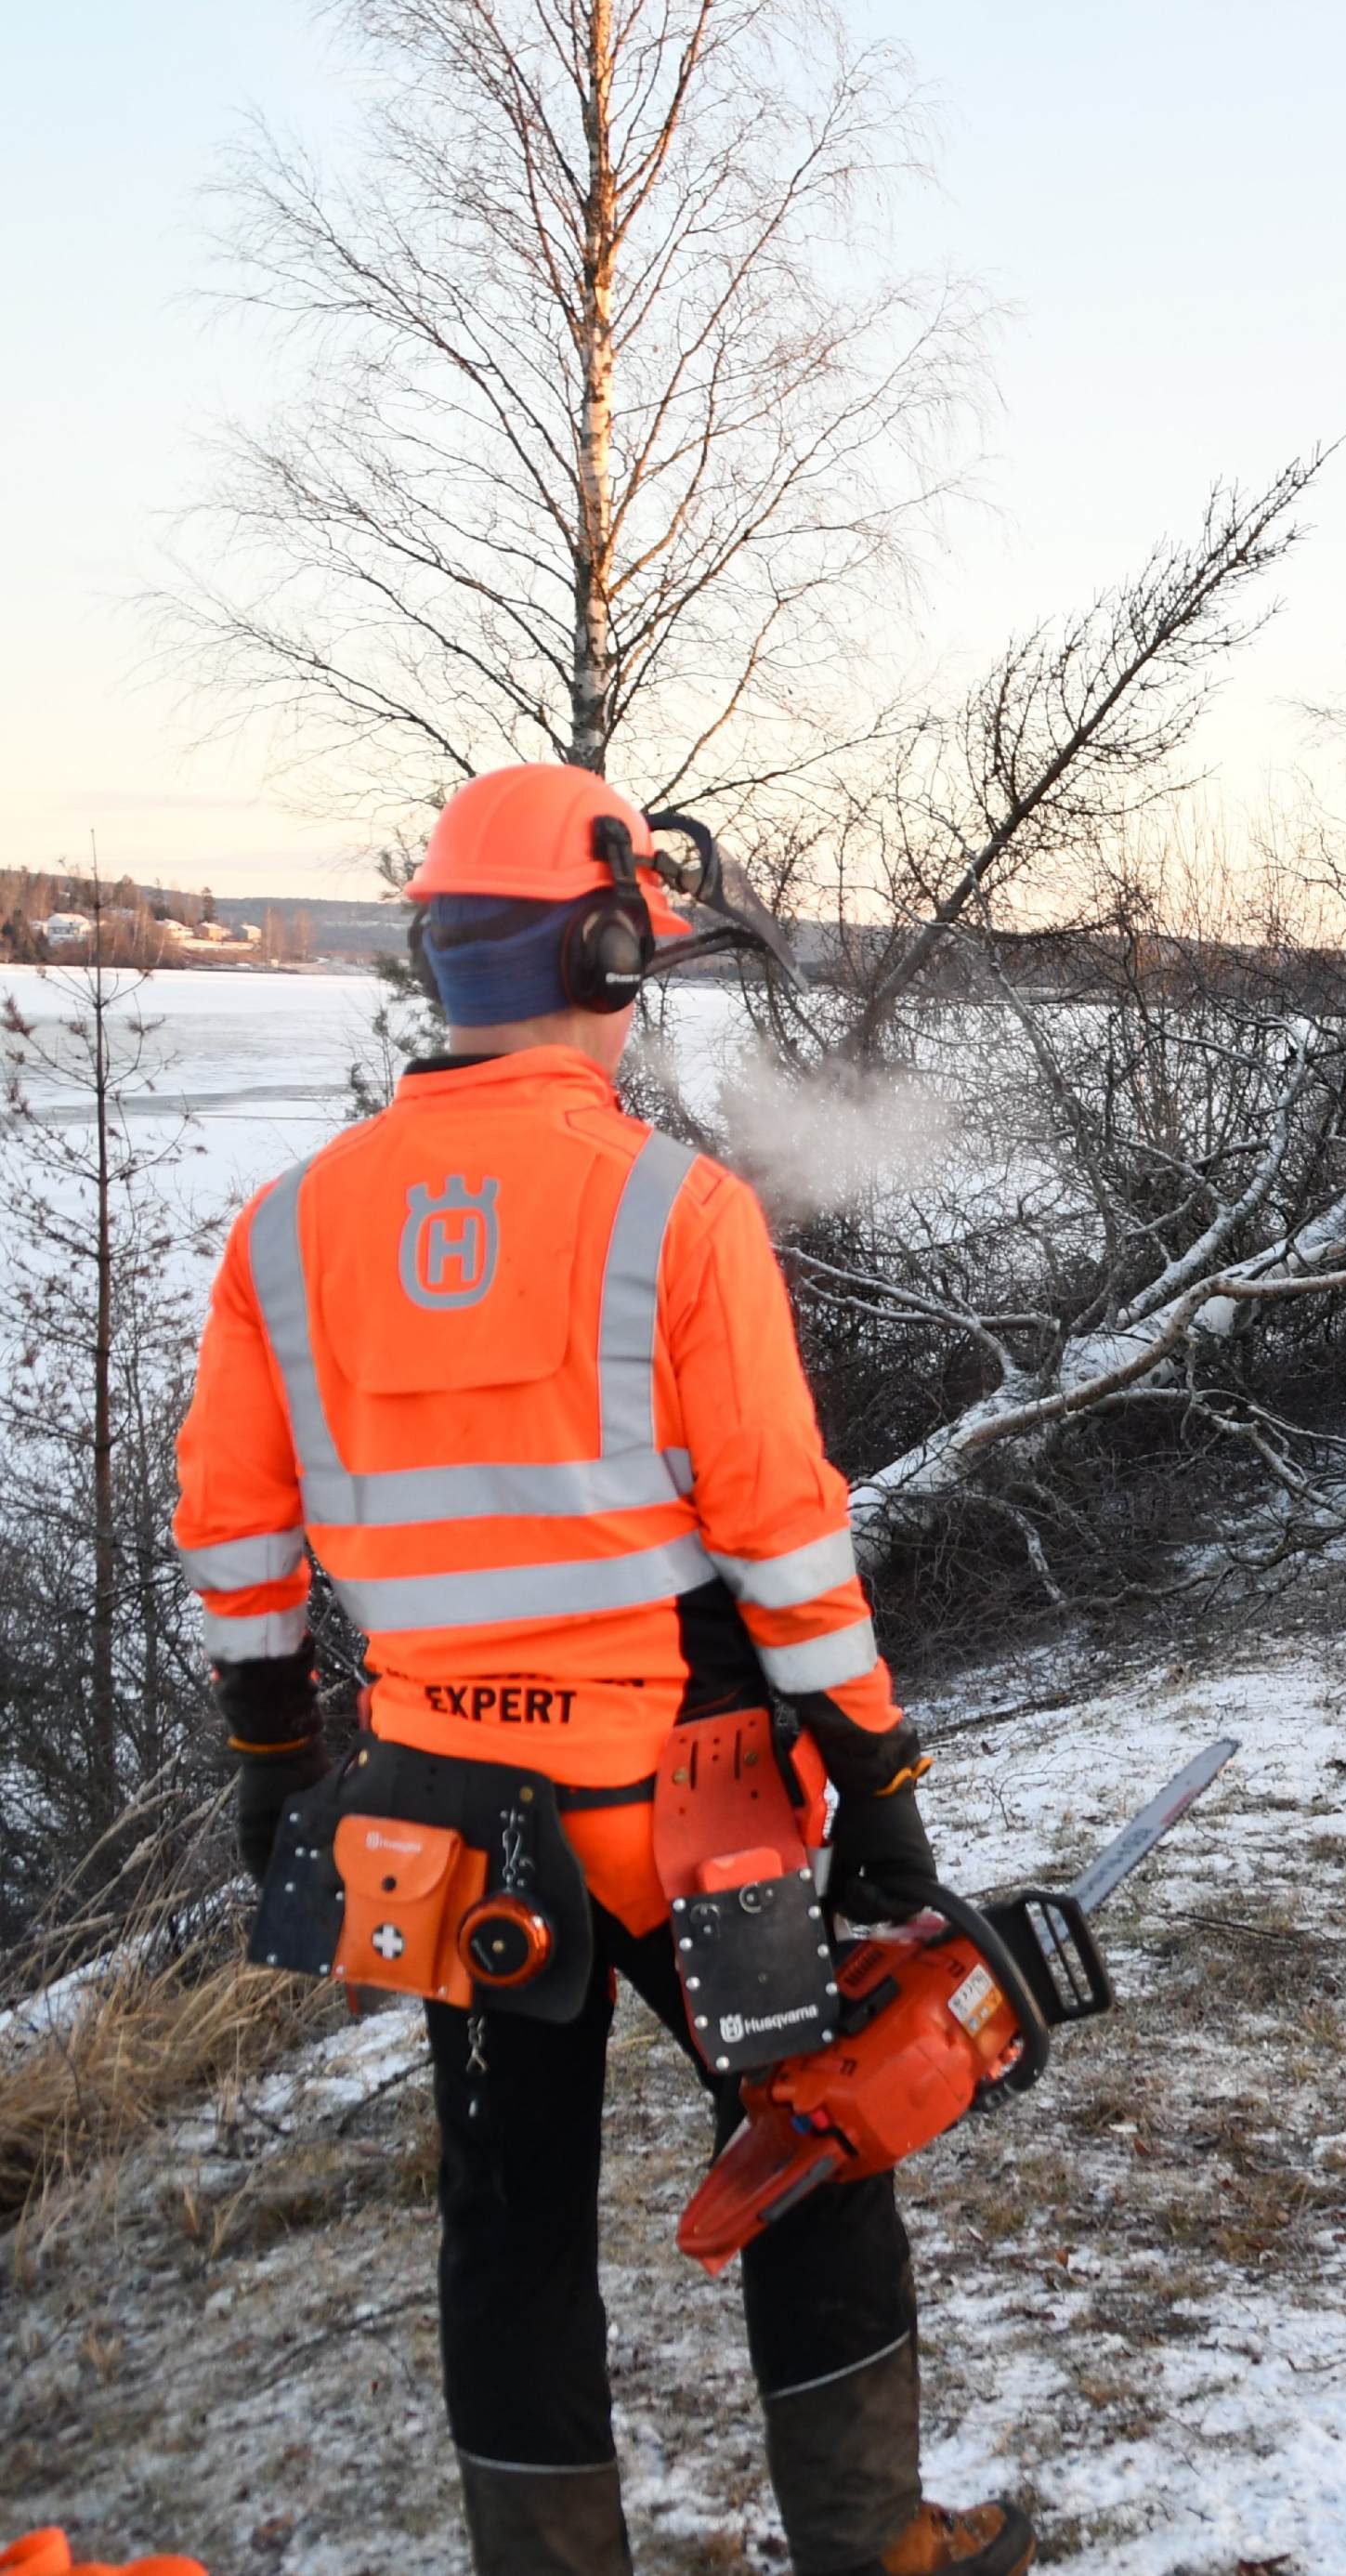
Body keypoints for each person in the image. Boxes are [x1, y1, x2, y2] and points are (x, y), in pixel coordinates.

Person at [170, 765, 1033, 2576]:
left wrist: (274, 1760)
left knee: (507, 2230)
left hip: (440, 1824)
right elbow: (788, 1547)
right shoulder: (676, 1214)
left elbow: (237, 1543)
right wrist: (874, 1783)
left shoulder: (286, 1229)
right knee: (817, 2145)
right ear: (613, 943)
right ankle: (873, 2546)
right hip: (683, 1814)